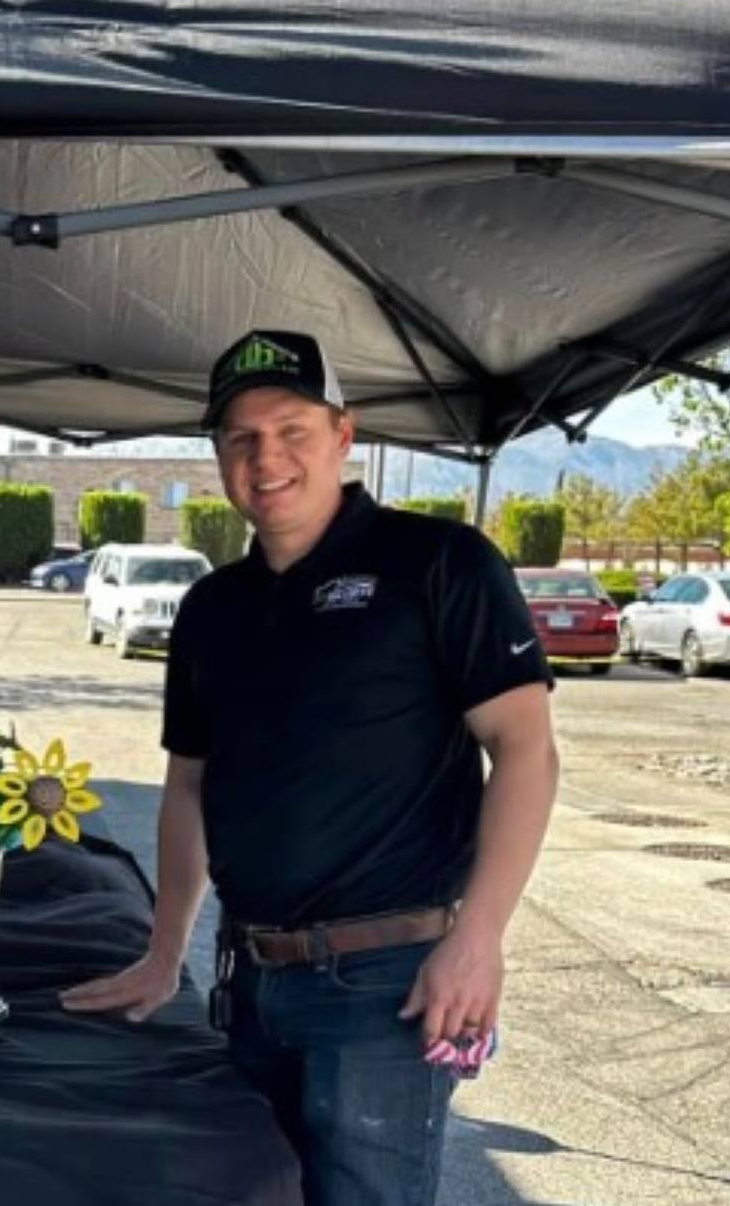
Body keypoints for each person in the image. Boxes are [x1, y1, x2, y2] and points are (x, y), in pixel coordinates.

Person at [61, 330, 560, 1205]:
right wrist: (164, 947)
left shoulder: (439, 564)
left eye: (291, 428)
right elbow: (188, 784)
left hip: (385, 989)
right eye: (240, 439)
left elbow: (526, 751)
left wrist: (478, 939)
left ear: (343, 434)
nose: (267, 457)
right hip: (248, 979)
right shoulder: (213, 608)